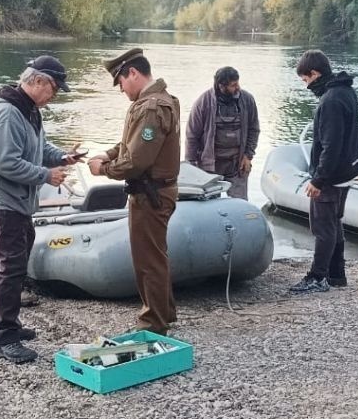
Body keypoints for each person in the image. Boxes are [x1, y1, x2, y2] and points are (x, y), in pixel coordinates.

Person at [0, 55, 82, 363]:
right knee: (10, 266)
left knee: (9, 262)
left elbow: (38, 149)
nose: (55, 95)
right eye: (54, 89)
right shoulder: (9, 113)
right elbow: (6, 162)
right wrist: (46, 175)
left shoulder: (30, 110)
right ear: (38, 81)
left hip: (18, 200)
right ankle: (5, 337)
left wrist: (63, 157)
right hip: (4, 199)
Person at [88, 48, 181, 335]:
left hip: (150, 194)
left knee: (147, 260)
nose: (121, 89)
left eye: (121, 82)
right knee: (155, 255)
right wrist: (106, 153)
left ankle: (153, 323)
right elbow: (131, 144)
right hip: (156, 191)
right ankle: (163, 312)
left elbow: (136, 161)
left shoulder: (151, 107)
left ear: (133, 73)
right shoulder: (162, 100)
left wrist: (103, 169)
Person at [289, 50, 358, 294]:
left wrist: (318, 179)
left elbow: (331, 145)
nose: (306, 85)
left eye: (305, 80)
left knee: (323, 227)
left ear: (315, 74)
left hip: (331, 175)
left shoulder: (330, 100)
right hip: (347, 172)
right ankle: (336, 275)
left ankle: (317, 277)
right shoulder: (346, 91)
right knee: (334, 222)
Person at [185, 66, 260, 200]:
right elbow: (192, 136)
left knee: (240, 204)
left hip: (237, 164)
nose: (238, 88)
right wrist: (191, 166)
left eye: (238, 83)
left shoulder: (247, 100)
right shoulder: (203, 102)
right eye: (233, 85)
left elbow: (254, 129)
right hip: (210, 166)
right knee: (209, 207)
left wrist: (248, 156)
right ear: (221, 86)